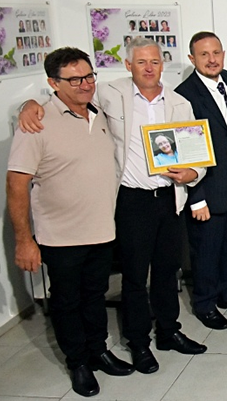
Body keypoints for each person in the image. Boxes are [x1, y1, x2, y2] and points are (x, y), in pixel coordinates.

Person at [17, 37, 209, 376]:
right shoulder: (108, 94)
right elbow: (63, 97)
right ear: (128, 65)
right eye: (141, 62)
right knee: (134, 278)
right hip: (131, 200)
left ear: (162, 64)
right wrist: (29, 104)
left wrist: (193, 173)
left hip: (169, 198)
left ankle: (168, 331)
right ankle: (138, 342)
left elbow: (198, 154)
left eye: (155, 61)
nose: (149, 68)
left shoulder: (179, 102)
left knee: (168, 272)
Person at [8, 47, 133, 397]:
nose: (85, 84)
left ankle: (98, 350)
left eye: (89, 76)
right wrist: (24, 240)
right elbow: (16, 184)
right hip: (60, 236)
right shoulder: (37, 122)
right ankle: (77, 362)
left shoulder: (99, 113)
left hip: (101, 230)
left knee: (95, 295)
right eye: (74, 80)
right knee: (66, 301)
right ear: (53, 83)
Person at [175, 32, 227, 330]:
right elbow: (185, 149)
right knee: (206, 250)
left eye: (216, 53)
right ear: (192, 58)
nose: (212, 59)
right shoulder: (185, 94)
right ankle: (205, 304)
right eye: (204, 54)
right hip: (206, 185)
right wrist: (196, 197)